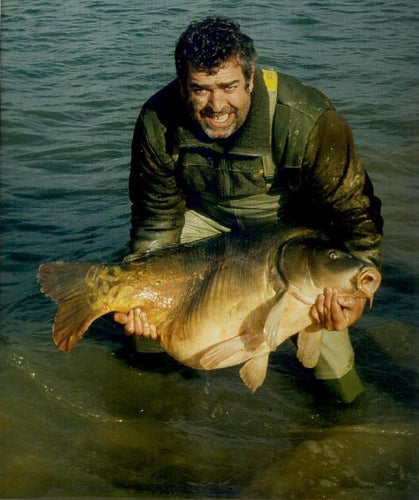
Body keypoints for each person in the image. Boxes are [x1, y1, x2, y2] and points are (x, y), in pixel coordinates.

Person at [114, 16, 383, 402]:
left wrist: (355, 295)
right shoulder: (159, 120)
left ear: (251, 79)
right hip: (206, 225)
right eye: (201, 90)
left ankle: (347, 423)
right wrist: (144, 284)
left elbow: (357, 217)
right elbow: (156, 217)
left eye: (229, 87)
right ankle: (154, 420)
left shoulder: (307, 119)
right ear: (182, 85)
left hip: (291, 232)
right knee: (143, 320)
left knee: (332, 363)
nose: (216, 105)